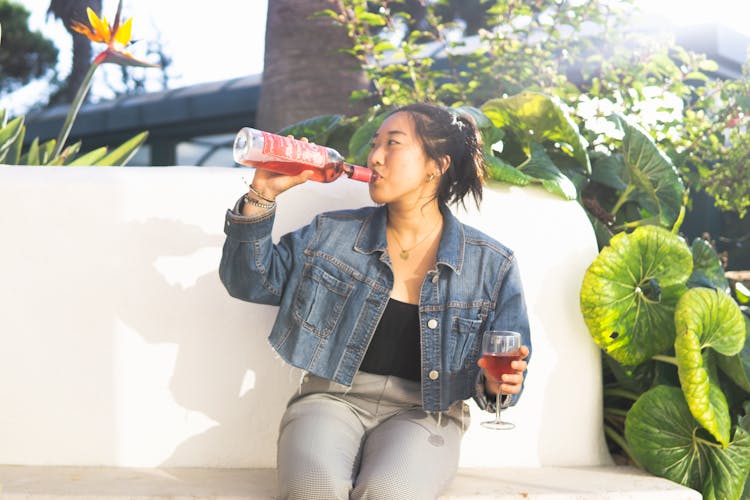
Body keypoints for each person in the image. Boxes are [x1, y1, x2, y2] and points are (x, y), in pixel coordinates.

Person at [219, 102, 531, 499]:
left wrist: (496, 382)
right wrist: (262, 193)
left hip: (425, 413)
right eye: (375, 143)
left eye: (393, 144)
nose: (374, 155)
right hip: (331, 400)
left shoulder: (492, 265)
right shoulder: (332, 233)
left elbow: (505, 383)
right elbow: (248, 282)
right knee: (314, 492)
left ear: (437, 164)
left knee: (388, 494)